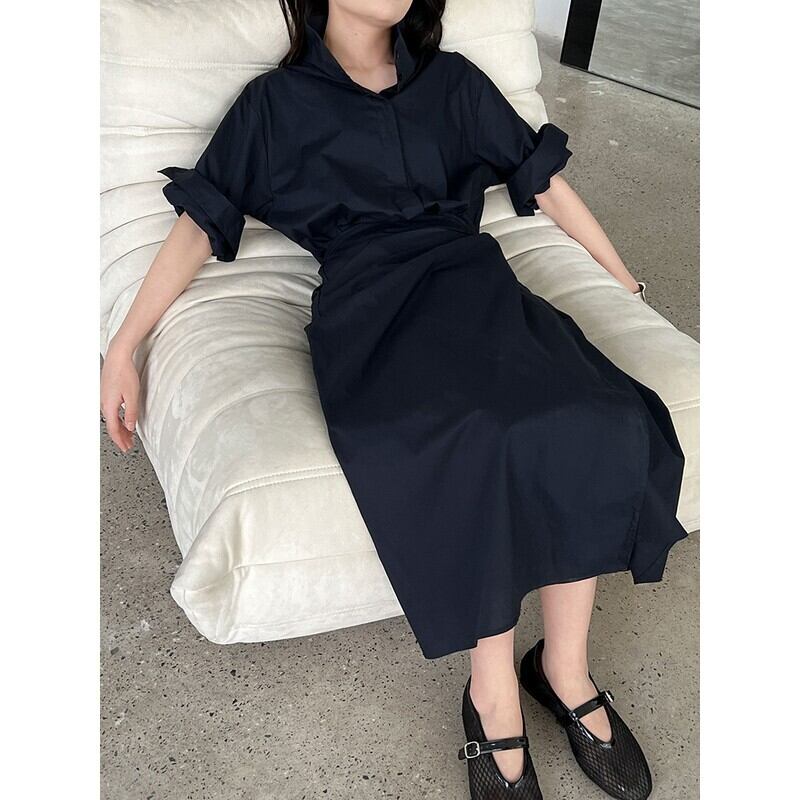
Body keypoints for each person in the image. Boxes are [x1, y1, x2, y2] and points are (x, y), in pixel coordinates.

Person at [100, 2, 688, 798]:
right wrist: (124, 345)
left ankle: (564, 668)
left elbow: (544, 183)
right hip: (374, 316)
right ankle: (492, 697)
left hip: (478, 292)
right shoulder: (275, 105)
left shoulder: (453, 84)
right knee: (479, 437)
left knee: (597, 415)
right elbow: (199, 226)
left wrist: (625, 282)